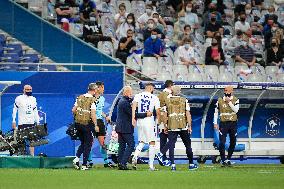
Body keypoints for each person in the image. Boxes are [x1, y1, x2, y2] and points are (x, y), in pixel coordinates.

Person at [156, 86, 198, 171]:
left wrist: (165, 125)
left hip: (172, 124)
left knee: (171, 144)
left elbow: (164, 115)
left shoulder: (167, 101)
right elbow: (188, 114)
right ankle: (191, 164)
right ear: (179, 91)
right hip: (183, 125)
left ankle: (173, 165)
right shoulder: (184, 100)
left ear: (171, 91)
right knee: (188, 145)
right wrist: (190, 126)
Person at [131, 82, 160, 171]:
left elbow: (133, 107)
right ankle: (151, 166)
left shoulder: (138, 95)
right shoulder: (154, 97)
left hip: (140, 121)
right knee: (152, 142)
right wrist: (158, 122)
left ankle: (135, 156)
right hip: (149, 121)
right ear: (151, 88)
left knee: (142, 141)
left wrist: (133, 118)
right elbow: (158, 111)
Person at [72, 83, 98, 170]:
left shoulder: (79, 97)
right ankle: (84, 165)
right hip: (87, 124)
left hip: (77, 124)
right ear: (94, 91)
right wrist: (96, 125)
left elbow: (73, 110)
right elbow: (93, 114)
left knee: (83, 143)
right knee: (88, 144)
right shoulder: (92, 100)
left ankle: (76, 159)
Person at [213, 86, 239, 166]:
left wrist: (229, 102)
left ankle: (228, 159)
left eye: (228, 91)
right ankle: (223, 160)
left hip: (233, 123)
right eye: (225, 91)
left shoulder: (236, 99)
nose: (226, 92)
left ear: (232, 91)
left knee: (233, 141)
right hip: (223, 123)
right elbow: (216, 112)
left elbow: (236, 110)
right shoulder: (219, 100)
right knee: (222, 142)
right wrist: (215, 122)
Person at [12, 85, 39, 156]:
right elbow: (15, 110)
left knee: (32, 141)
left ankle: (32, 156)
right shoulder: (19, 98)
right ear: (23, 90)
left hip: (31, 122)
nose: (29, 91)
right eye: (27, 89)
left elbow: (35, 111)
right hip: (22, 123)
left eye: (30, 89)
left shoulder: (33, 99)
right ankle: (22, 156)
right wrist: (14, 120)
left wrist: (38, 121)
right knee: (21, 140)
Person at [93, 81, 115, 168]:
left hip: (100, 121)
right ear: (98, 88)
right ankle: (89, 161)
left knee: (103, 143)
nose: (103, 90)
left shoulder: (102, 99)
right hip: (91, 121)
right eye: (102, 88)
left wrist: (105, 116)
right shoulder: (90, 97)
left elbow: (99, 110)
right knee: (89, 142)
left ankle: (106, 162)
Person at [115, 86, 135, 170]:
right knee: (131, 144)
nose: (132, 94)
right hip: (125, 128)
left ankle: (120, 163)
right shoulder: (125, 103)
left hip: (120, 127)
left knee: (122, 146)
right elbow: (132, 113)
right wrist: (146, 114)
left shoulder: (122, 100)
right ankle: (123, 163)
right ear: (126, 92)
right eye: (130, 93)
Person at [157, 80, 173, 166]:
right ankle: (163, 156)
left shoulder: (161, 94)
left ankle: (162, 159)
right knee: (171, 138)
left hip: (161, 119)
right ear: (171, 86)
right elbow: (167, 109)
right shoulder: (168, 95)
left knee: (163, 140)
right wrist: (166, 122)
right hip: (166, 119)